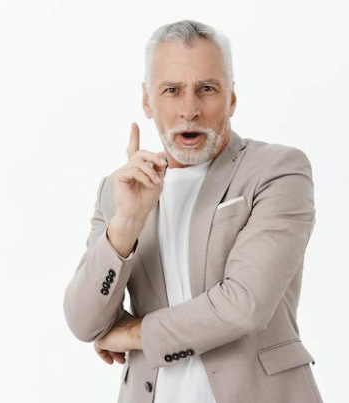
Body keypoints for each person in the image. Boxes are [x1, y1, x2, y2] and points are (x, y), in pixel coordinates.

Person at [63, 19, 323, 403]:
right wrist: (127, 223)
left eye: (207, 89)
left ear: (231, 98)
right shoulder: (119, 190)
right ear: (147, 101)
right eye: (172, 90)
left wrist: (135, 334)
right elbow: (85, 322)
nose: (189, 110)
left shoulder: (278, 170)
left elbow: (244, 305)